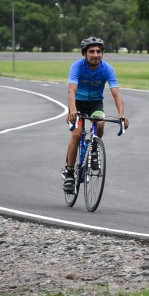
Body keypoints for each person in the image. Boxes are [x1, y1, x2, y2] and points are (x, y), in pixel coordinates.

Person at [63, 36, 128, 193]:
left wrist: (121, 115)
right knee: (77, 135)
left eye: (99, 51)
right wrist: (72, 110)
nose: (96, 54)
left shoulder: (107, 69)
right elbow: (72, 90)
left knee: (100, 122)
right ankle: (70, 173)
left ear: (103, 54)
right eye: (91, 51)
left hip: (95, 104)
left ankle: (93, 149)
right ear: (84, 54)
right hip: (77, 104)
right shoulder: (77, 66)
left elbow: (116, 93)